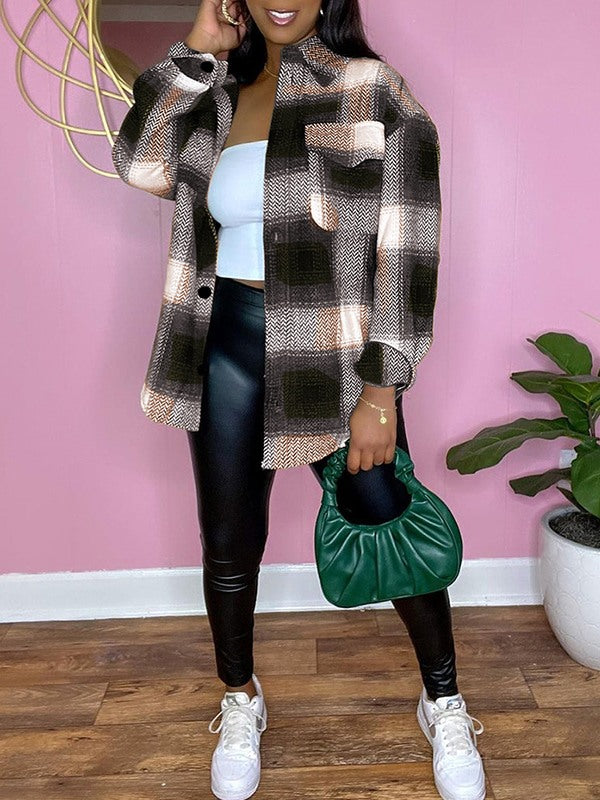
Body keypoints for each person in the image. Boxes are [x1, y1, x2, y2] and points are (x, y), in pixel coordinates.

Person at [112, 1, 486, 799]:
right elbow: (140, 166)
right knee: (228, 541)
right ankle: (240, 697)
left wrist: (382, 389)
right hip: (222, 343)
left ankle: (444, 700)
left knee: (384, 513)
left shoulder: (372, 90)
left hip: (334, 354)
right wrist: (197, 49)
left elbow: (408, 247)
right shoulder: (213, 93)